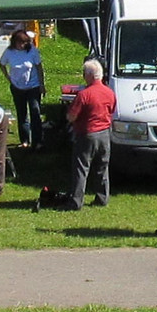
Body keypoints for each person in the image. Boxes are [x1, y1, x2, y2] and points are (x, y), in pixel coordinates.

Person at [68, 59, 115, 209]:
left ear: (89, 75)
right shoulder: (109, 92)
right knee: (102, 166)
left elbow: (72, 116)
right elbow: (112, 110)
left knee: (81, 168)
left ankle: (76, 201)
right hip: (105, 133)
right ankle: (102, 197)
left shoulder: (84, 94)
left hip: (87, 133)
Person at [0, 29, 45, 148]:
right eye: (21, 42)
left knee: (35, 112)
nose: (23, 45)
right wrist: (8, 78)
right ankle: (24, 140)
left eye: (25, 42)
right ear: (15, 42)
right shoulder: (9, 52)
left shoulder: (32, 51)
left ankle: (38, 141)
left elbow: (39, 67)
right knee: (22, 114)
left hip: (33, 86)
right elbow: (2, 63)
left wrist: (41, 84)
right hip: (17, 87)